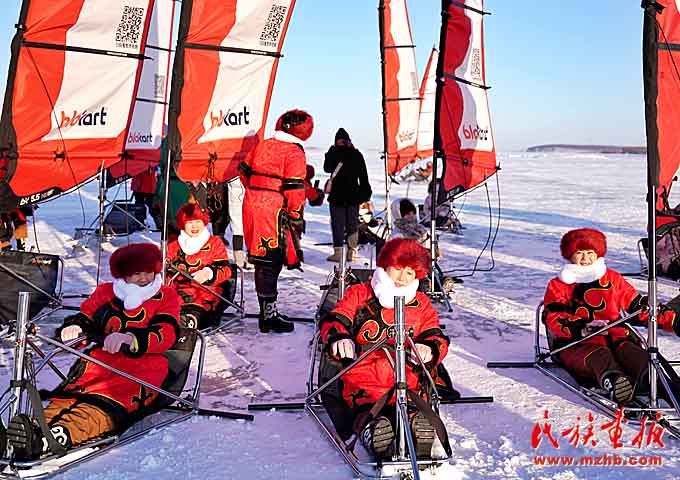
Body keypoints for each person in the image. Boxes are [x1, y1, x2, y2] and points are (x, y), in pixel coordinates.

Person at [6, 243, 181, 459]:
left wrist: (130, 338)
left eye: (148, 272)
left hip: (142, 369)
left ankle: (52, 438)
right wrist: (74, 326)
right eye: (137, 273)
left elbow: (167, 332)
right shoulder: (106, 293)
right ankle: (28, 432)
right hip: (99, 363)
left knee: (98, 408)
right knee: (67, 399)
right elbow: (86, 316)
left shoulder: (165, 296)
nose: (144, 278)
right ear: (124, 274)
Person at [319, 238, 450, 459]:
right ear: (386, 264)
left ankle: (417, 428)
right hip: (363, 372)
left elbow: (435, 334)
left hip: (407, 375)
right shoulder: (359, 293)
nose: (402, 278)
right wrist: (339, 337)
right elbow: (336, 319)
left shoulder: (421, 303)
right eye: (398, 268)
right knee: (366, 406)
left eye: (410, 273)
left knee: (411, 403)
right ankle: (373, 431)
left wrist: (429, 348)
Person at [543, 228, 680, 405]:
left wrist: (671, 319)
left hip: (617, 337)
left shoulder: (612, 279)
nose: (585, 259)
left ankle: (659, 382)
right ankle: (616, 383)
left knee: (635, 355)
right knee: (600, 358)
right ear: (570, 255)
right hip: (577, 343)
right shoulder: (559, 285)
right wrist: (581, 327)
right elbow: (553, 316)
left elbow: (636, 305)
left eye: (590, 253)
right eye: (579, 253)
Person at [240, 109, 313, 334]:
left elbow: (243, 171)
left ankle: (267, 313)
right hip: (274, 209)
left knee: (262, 260)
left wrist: (256, 191)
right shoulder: (294, 152)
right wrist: (295, 216)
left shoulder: (262, 145)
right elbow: (295, 188)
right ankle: (268, 317)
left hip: (252, 204)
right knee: (272, 261)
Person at [166, 203, 233, 330]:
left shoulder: (214, 243)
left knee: (197, 308)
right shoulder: (174, 245)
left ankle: (188, 324)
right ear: (183, 224)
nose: (194, 226)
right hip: (179, 291)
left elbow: (226, 270)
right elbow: (164, 271)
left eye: (198, 222)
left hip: (208, 290)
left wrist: (209, 273)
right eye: (190, 223)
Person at [324, 128, 372, 263]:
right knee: (352, 225)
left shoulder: (334, 153)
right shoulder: (357, 154)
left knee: (337, 224)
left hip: (337, 195)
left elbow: (327, 168)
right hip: (353, 195)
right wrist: (365, 193)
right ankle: (352, 252)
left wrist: (330, 152)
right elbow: (363, 176)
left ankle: (338, 253)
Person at [226, 176, 253, 270]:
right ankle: (239, 258)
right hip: (236, 186)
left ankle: (250, 256)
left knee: (251, 225)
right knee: (237, 225)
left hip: (250, 188)